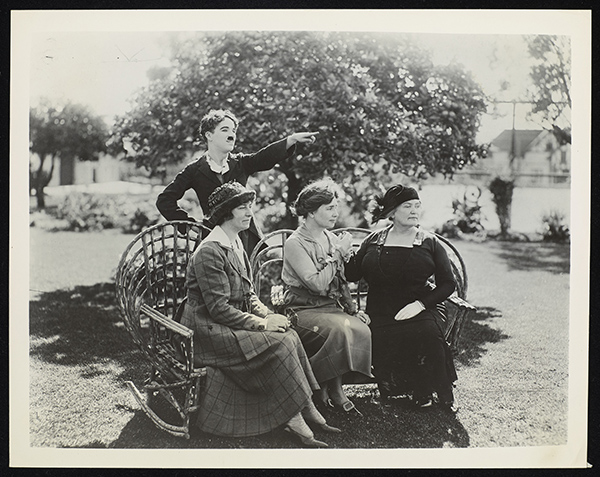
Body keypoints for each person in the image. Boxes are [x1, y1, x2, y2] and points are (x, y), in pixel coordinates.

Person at [180, 181, 340, 447]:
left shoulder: (235, 243)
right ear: (225, 212)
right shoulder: (210, 250)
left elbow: (248, 295)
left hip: (225, 320)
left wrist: (269, 317)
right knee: (279, 343)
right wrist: (262, 325)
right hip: (205, 331)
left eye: (250, 207)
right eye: (242, 208)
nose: (249, 213)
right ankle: (293, 416)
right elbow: (218, 309)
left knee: (287, 333)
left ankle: (305, 405)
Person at [344, 184, 458, 412]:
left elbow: (448, 284)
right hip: (381, 310)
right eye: (408, 206)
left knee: (426, 332)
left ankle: (441, 391)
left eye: (417, 206)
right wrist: (345, 252)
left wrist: (420, 305)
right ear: (391, 212)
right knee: (380, 332)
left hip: (423, 307)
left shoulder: (429, 242)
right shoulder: (374, 241)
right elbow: (351, 274)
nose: (415, 210)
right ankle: (410, 388)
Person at [156, 108, 318, 254]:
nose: (232, 135)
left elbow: (263, 157)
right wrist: (191, 226)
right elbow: (165, 201)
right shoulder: (194, 170)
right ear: (209, 135)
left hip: (246, 237)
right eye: (225, 129)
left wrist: (290, 140)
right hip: (215, 239)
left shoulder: (241, 163)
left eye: (233, 130)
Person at [280, 180, 373, 416]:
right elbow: (317, 284)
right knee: (338, 331)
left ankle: (324, 386)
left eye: (336, 207)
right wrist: (338, 254)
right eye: (329, 208)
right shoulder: (295, 243)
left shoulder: (331, 238)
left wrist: (352, 310)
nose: (336, 213)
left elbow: (340, 283)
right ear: (311, 211)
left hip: (331, 308)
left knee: (361, 329)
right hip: (301, 311)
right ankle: (330, 389)